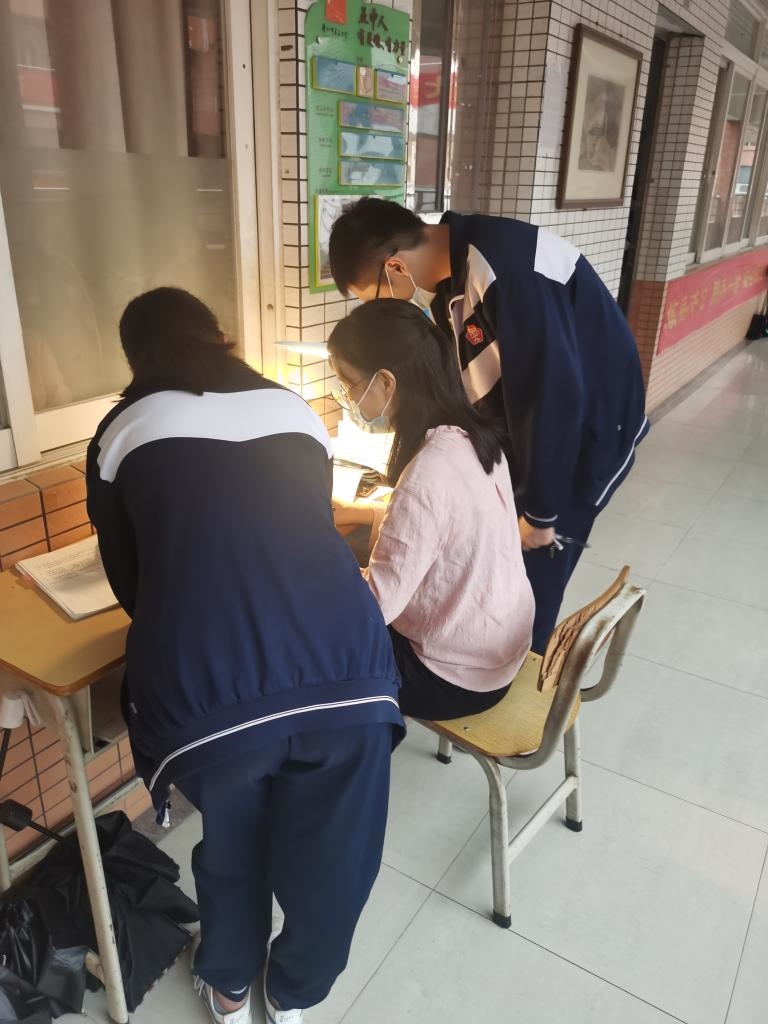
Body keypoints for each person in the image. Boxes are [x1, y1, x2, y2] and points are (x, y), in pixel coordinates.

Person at [86, 288, 403, 1024]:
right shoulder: (294, 410)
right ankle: (293, 996)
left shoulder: (122, 430)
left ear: (135, 358)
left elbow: (132, 582)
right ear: (219, 334)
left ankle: (229, 987)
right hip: (345, 668)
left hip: (212, 686)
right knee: (338, 855)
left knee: (234, 843)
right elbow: (309, 523)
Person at [329, 198, 648, 653]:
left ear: (395, 267)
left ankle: (516, 674)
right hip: (530, 435)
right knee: (499, 554)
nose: (385, 314)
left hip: (586, 439)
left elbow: (553, 398)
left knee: (532, 571)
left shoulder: (506, 270)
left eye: (377, 300)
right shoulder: (451, 275)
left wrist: (541, 513)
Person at [329, 300, 534, 720]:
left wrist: (315, 563)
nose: (347, 397)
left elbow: (375, 608)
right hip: (497, 647)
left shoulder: (428, 472)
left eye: (348, 384)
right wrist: (364, 512)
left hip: (454, 679)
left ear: (386, 382)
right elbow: (446, 522)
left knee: (316, 641)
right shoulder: (475, 435)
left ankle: (346, 742)